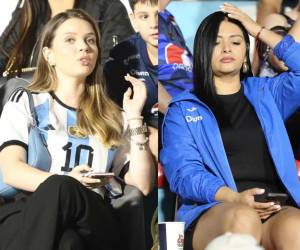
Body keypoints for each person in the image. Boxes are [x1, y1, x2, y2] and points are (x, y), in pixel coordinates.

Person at [0, 9, 155, 250]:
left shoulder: (115, 116)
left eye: (90, 40)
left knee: (62, 191)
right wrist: (68, 182)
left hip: (93, 217)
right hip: (30, 210)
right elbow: (11, 171)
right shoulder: (26, 101)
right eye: (70, 40)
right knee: (68, 242)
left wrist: (135, 117)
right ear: (48, 55)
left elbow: (143, 183)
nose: (84, 47)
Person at [160, 3, 300, 250]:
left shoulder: (267, 93)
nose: (227, 48)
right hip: (214, 211)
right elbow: (184, 175)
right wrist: (234, 198)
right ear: (203, 50)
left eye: (236, 41)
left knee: (295, 227)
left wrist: (258, 30)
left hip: (273, 208)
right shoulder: (183, 109)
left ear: (246, 49)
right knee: (242, 218)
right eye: (216, 42)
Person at [0, 0, 134, 77]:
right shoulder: (31, 9)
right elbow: (2, 55)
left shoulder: (108, 8)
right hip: (34, 108)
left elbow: (114, 72)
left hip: (89, 110)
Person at [104, 0, 158, 160]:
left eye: (159, 16)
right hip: (137, 132)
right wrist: (147, 131)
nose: (154, 24)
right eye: (144, 16)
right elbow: (114, 115)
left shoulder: (182, 55)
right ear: (133, 18)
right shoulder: (121, 56)